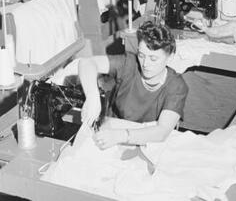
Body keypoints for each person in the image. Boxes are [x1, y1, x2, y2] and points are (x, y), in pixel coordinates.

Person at [79, 21, 188, 150]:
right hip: (113, 128)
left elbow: (161, 132)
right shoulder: (129, 64)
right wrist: (92, 96)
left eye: (153, 59)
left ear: (170, 57)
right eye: (141, 55)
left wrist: (121, 136)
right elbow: (87, 63)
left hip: (147, 140)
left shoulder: (176, 86)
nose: (145, 64)